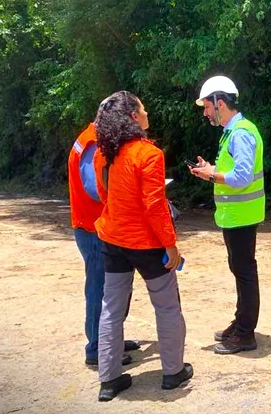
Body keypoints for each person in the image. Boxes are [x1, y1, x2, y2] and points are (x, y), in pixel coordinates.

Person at [91, 91, 193, 401]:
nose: (148, 114)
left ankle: (109, 380)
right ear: (134, 117)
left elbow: (104, 195)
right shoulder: (148, 155)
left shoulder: (103, 154)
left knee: (111, 309)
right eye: (144, 110)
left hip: (112, 239)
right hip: (145, 243)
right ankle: (173, 372)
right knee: (166, 306)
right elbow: (155, 206)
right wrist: (171, 245)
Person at [188, 76, 265, 355]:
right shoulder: (233, 132)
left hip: (241, 216)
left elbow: (242, 176)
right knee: (241, 270)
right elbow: (232, 172)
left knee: (244, 273)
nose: (206, 113)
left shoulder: (241, 132)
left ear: (220, 103)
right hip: (236, 215)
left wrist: (212, 175)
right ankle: (240, 323)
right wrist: (211, 171)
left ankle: (245, 334)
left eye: (207, 107)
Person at [67, 121, 139, 368]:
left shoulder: (93, 139)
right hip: (93, 228)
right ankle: (97, 347)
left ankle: (111, 339)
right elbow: (92, 187)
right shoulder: (94, 142)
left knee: (112, 288)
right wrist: (127, 190)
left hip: (96, 226)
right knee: (101, 290)